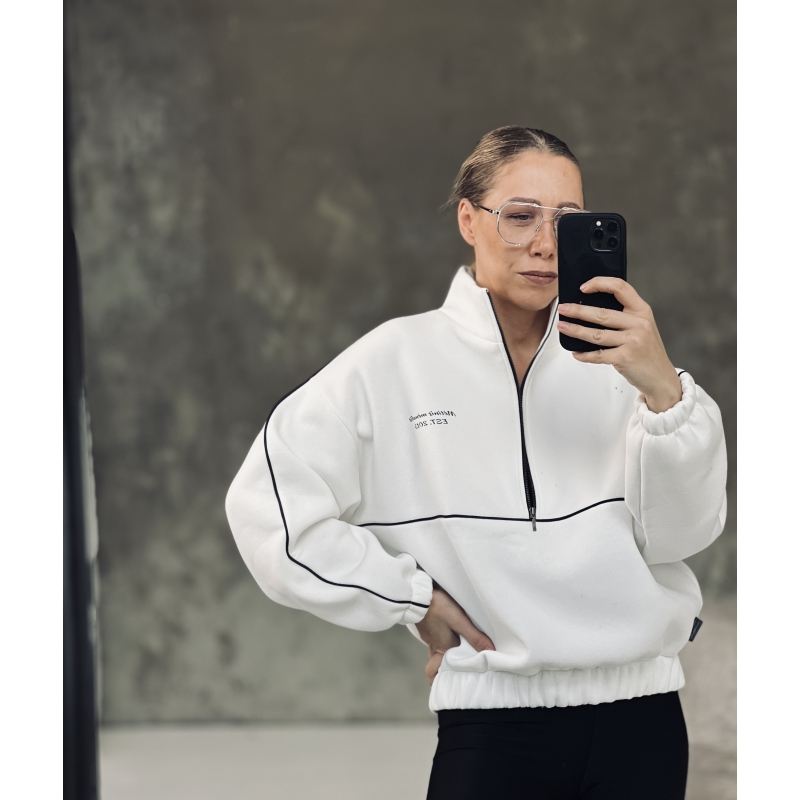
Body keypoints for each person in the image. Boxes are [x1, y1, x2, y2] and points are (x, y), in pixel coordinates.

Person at [225, 126, 727, 799]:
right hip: (492, 725)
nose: (545, 244)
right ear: (469, 219)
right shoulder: (392, 361)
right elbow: (270, 512)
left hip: (642, 720)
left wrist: (666, 391)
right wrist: (408, 595)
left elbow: (684, 536)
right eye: (520, 216)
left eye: (568, 222)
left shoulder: (630, 369)